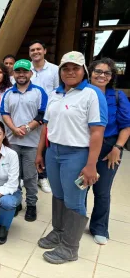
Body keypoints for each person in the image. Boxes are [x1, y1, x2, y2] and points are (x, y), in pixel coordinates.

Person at [35, 51, 107, 264]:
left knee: (74, 200)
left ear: (83, 71)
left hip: (76, 154)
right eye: (65, 68)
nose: (70, 72)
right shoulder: (55, 94)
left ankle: (69, 247)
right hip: (53, 151)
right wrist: (40, 152)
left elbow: (97, 132)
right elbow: (46, 126)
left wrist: (91, 164)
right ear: (60, 72)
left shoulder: (91, 94)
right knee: (58, 195)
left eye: (75, 68)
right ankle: (58, 231)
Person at [87, 58, 130, 245]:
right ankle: (75, 222)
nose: (101, 75)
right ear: (90, 73)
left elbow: (126, 126)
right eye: (98, 71)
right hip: (84, 147)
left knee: (102, 190)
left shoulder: (118, 97)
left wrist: (117, 148)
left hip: (108, 149)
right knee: (80, 187)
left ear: (111, 76)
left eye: (106, 73)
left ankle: (99, 227)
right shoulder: (82, 94)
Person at [1, 59, 47, 222]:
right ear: (13, 74)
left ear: (30, 73)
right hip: (12, 141)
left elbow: (43, 114)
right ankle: (15, 202)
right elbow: (4, 113)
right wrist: (14, 129)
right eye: (18, 71)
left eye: (24, 71)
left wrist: (27, 128)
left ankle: (31, 204)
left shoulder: (39, 92)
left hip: (32, 143)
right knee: (13, 175)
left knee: (29, 177)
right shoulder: (8, 93)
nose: (21, 74)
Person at [29, 40, 59, 194]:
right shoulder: (26, 69)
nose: (35, 52)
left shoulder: (54, 70)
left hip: (47, 116)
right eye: (32, 50)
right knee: (29, 145)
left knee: (45, 146)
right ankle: (27, 176)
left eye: (38, 49)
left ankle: (42, 176)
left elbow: (58, 92)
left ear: (45, 51)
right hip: (28, 115)